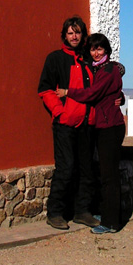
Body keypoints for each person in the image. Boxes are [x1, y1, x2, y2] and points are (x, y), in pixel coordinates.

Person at [56, 33, 125, 234]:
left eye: (100, 49)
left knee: (109, 176)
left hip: (110, 127)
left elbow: (92, 93)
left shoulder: (109, 70)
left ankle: (111, 223)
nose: (96, 53)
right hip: (103, 126)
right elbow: (112, 91)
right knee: (104, 173)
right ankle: (107, 215)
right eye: (93, 49)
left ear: (107, 51)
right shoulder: (101, 69)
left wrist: (68, 92)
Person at [37, 16, 101, 230]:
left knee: (87, 170)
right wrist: (60, 112)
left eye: (78, 32)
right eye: (70, 32)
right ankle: (55, 213)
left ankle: (82, 212)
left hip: (87, 124)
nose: (74, 36)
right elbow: (45, 89)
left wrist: (118, 96)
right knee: (66, 168)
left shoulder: (89, 59)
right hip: (65, 124)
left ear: (83, 35)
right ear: (64, 35)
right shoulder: (55, 59)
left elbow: (106, 80)